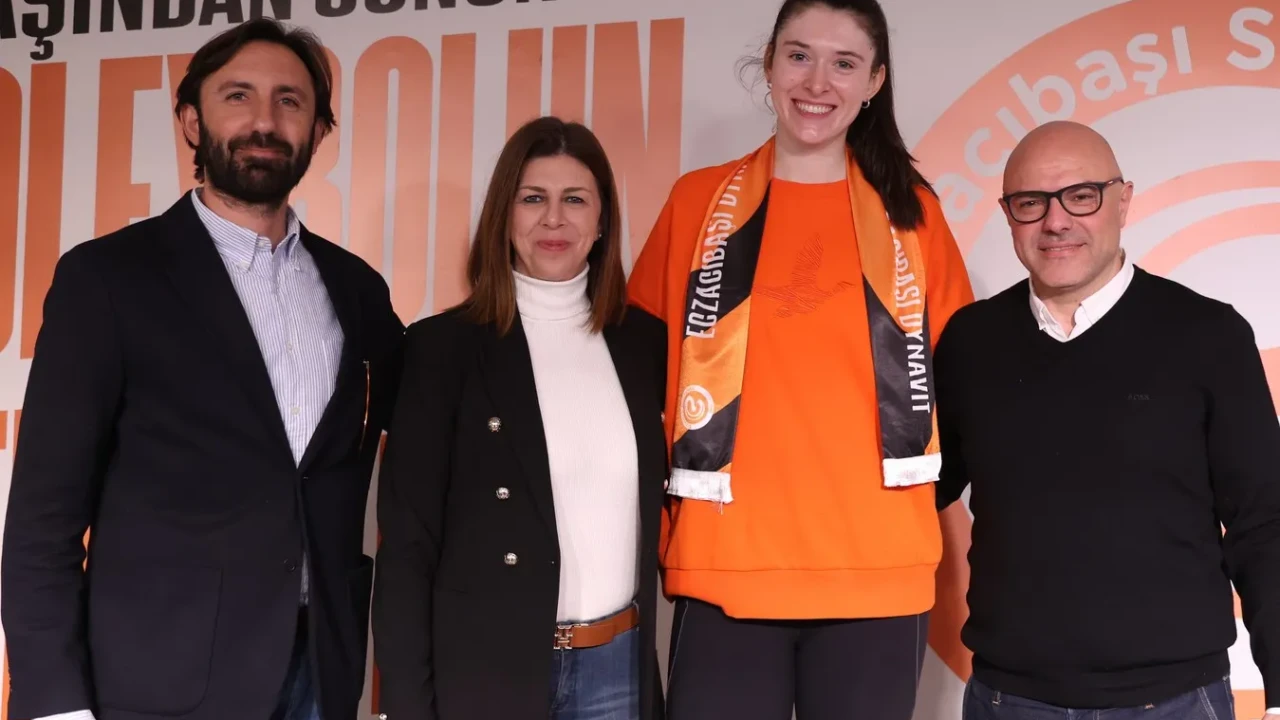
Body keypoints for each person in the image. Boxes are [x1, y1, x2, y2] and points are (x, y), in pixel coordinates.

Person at [1, 18, 405, 720]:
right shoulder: (108, 280)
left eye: (289, 101)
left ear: (318, 132)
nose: (264, 121)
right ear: (191, 120)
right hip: (158, 683)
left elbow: (431, 415)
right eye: (237, 96)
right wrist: (55, 705)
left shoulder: (357, 289)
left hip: (320, 675)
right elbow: (44, 518)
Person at [625, 0, 975, 717]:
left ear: (874, 81)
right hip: (725, 564)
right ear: (769, 64)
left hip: (879, 572)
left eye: (844, 63)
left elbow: (964, 384)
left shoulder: (912, 214)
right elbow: (633, 379)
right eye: (799, 55)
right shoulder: (697, 203)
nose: (817, 82)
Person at [932, 120, 1280, 720]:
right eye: (1030, 202)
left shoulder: (1208, 335)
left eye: (1081, 196)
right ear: (1009, 214)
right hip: (1007, 699)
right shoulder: (971, 340)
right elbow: (918, 487)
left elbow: (1264, 521)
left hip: (1174, 702)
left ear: (1123, 201)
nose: (1056, 221)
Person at [371, 115, 668, 720]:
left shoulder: (646, 344)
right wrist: (405, 704)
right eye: (533, 198)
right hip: (486, 671)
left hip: (617, 670)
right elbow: (407, 547)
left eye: (575, 199)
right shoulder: (442, 349)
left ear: (602, 220)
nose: (554, 219)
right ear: (503, 217)